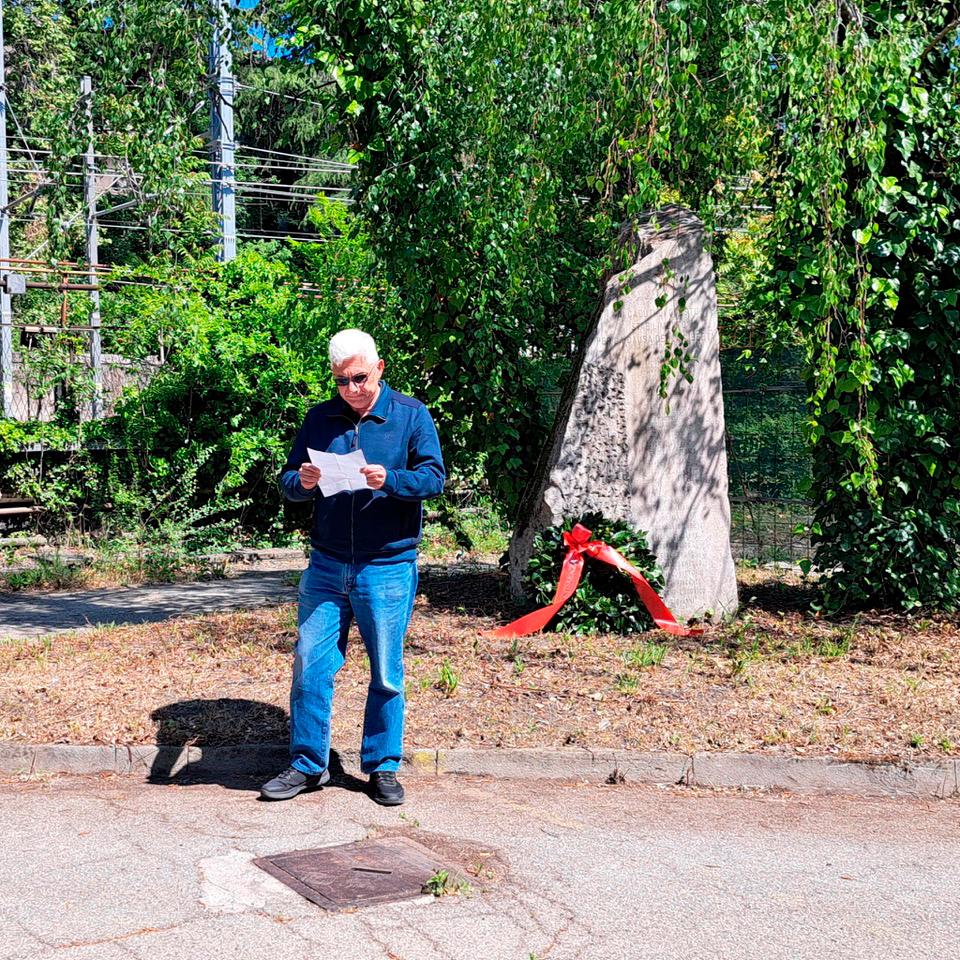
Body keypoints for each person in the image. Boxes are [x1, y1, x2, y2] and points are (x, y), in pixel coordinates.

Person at [261, 329, 445, 805]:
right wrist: (300, 483)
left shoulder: (410, 415)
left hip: (386, 565)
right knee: (310, 664)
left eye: (359, 378)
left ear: (379, 369)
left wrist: (392, 480)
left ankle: (382, 766)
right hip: (326, 564)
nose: (351, 389)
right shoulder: (320, 419)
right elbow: (288, 481)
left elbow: (433, 478)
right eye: (341, 381)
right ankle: (307, 765)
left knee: (386, 671)